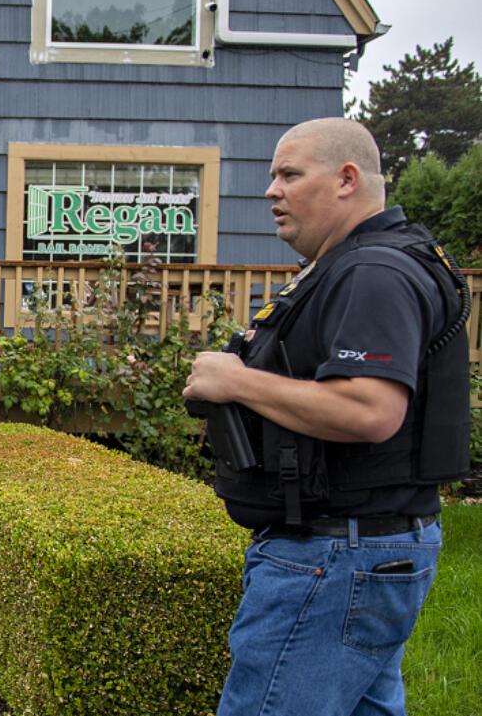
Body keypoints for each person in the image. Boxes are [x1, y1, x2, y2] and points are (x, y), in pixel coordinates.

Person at [183, 117, 471, 716]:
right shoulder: (362, 263)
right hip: (366, 548)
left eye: (289, 174)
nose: (271, 191)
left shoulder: (373, 273)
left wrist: (237, 380)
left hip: (335, 556)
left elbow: (370, 409)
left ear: (346, 179)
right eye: (272, 177)